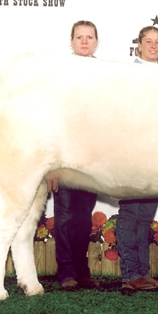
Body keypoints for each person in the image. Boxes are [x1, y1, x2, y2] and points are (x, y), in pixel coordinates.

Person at [48, 21, 103, 289]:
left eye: (89, 37)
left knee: (83, 216)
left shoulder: (106, 74)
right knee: (65, 215)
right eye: (79, 37)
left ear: (96, 42)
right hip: (65, 157)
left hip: (93, 157)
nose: (84, 41)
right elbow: (53, 120)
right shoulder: (60, 74)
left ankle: (82, 270)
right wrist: (53, 164)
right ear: (71, 41)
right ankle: (66, 272)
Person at [116, 26, 158, 291]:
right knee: (130, 213)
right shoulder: (128, 74)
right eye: (148, 41)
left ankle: (142, 273)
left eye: (157, 42)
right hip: (131, 150)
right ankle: (130, 275)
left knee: (145, 215)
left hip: (157, 152)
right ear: (138, 45)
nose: (153, 46)